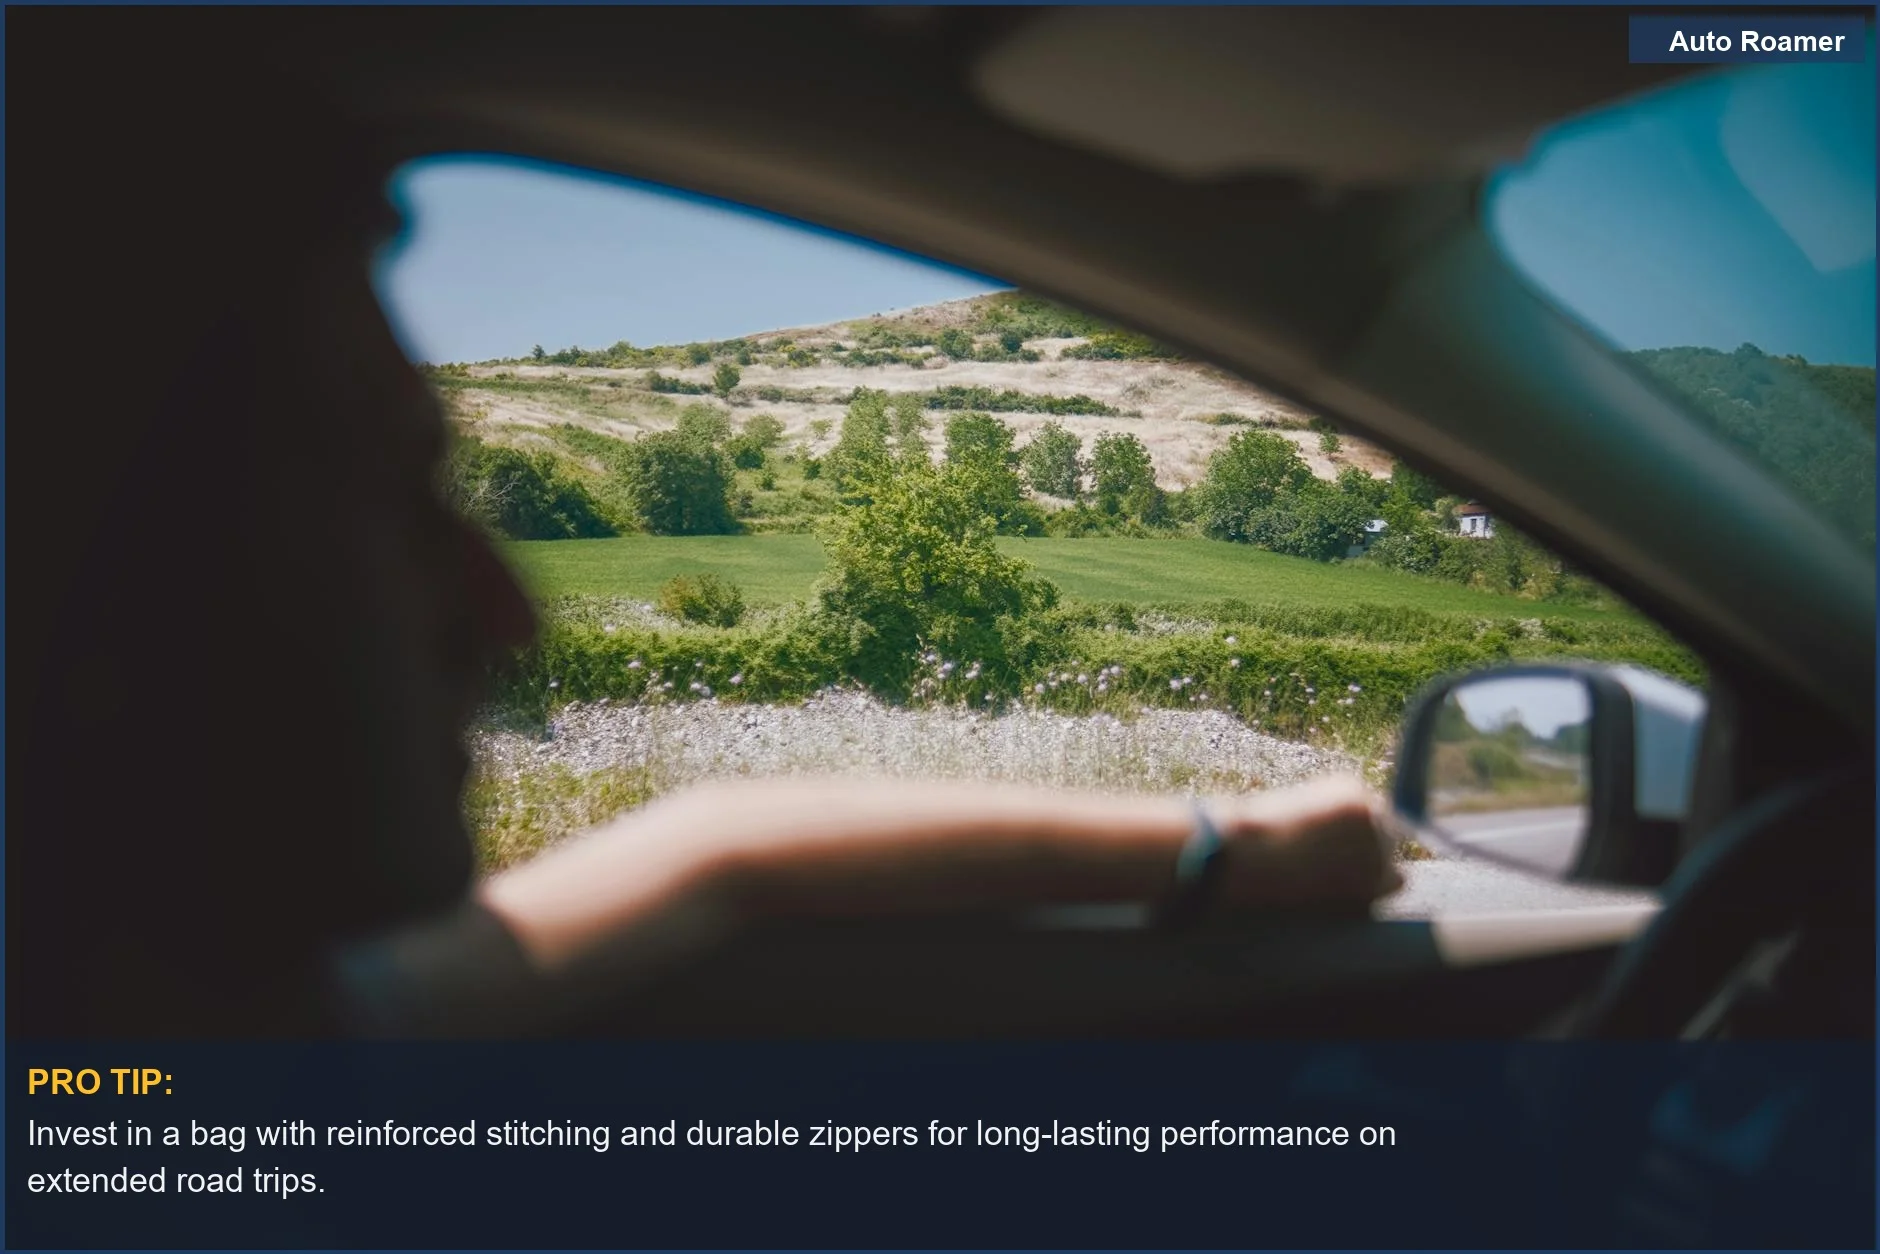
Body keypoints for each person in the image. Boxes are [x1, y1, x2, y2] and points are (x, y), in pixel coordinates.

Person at [9, 68, 1400, 1041]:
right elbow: (715, 855)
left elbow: (718, 851)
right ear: (74, 599)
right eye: (383, 508)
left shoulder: (247, 1043)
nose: (513, 620)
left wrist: (1239, 846)